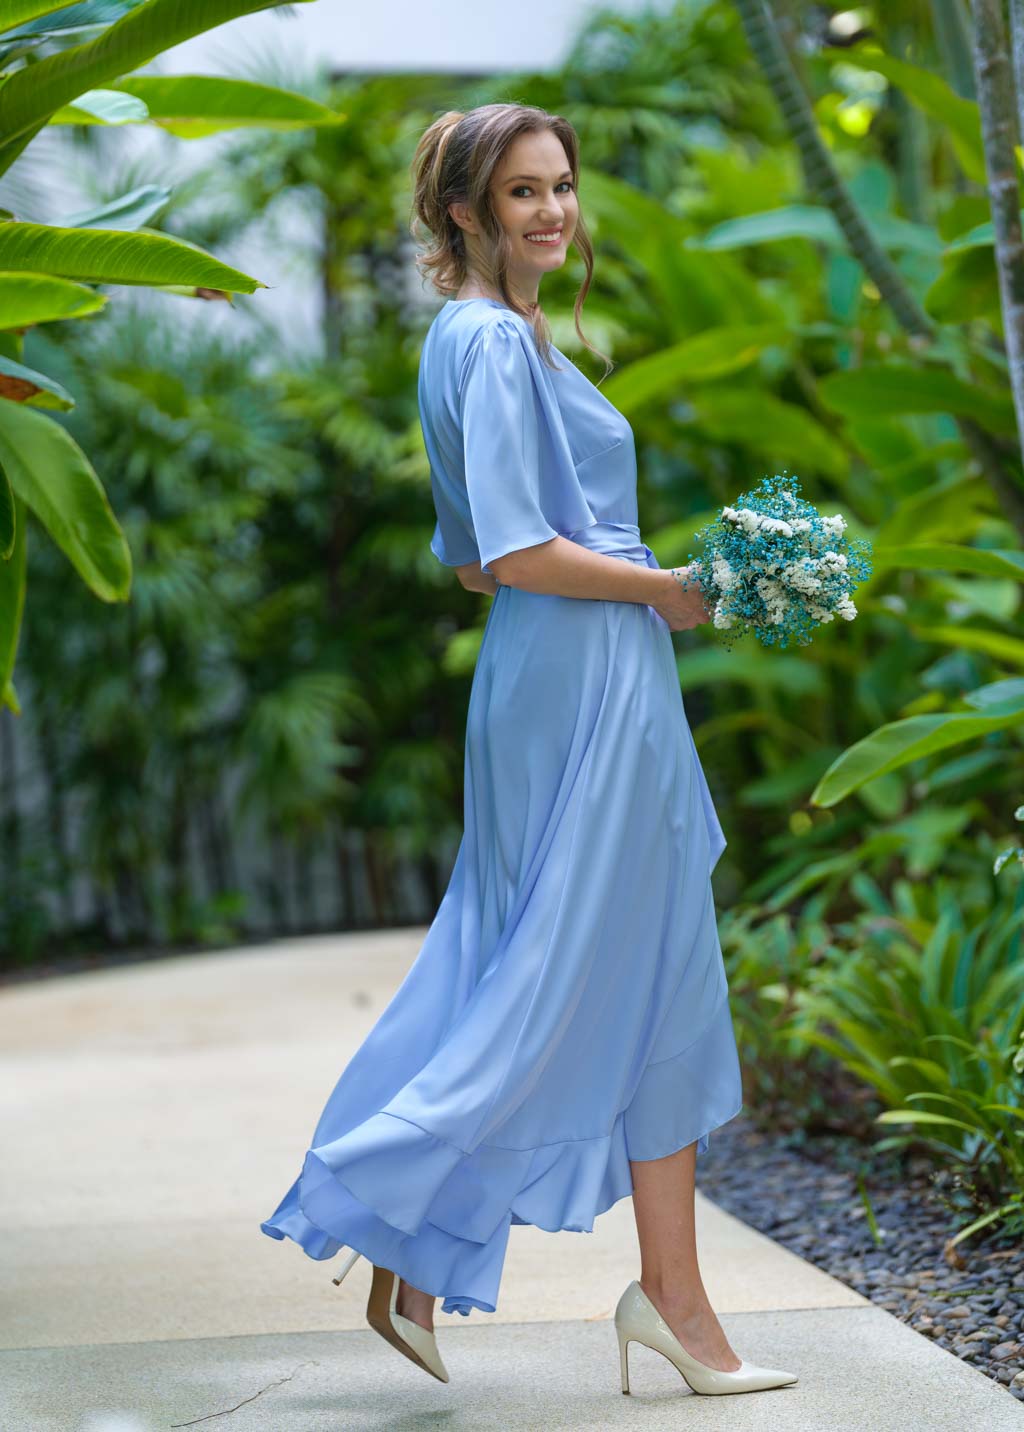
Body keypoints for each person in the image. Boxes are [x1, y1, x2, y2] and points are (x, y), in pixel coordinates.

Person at [261, 101, 797, 1400]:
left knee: (621, 965)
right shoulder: (495, 343)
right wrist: (668, 584)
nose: (554, 210)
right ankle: (405, 1216)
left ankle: (663, 1301)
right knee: (581, 967)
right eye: (522, 192)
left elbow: (467, 562)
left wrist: (644, 582)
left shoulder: (483, 338)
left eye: (561, 185)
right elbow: (509, 553)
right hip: (588, 679)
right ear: (464, 211)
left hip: (559, 671)